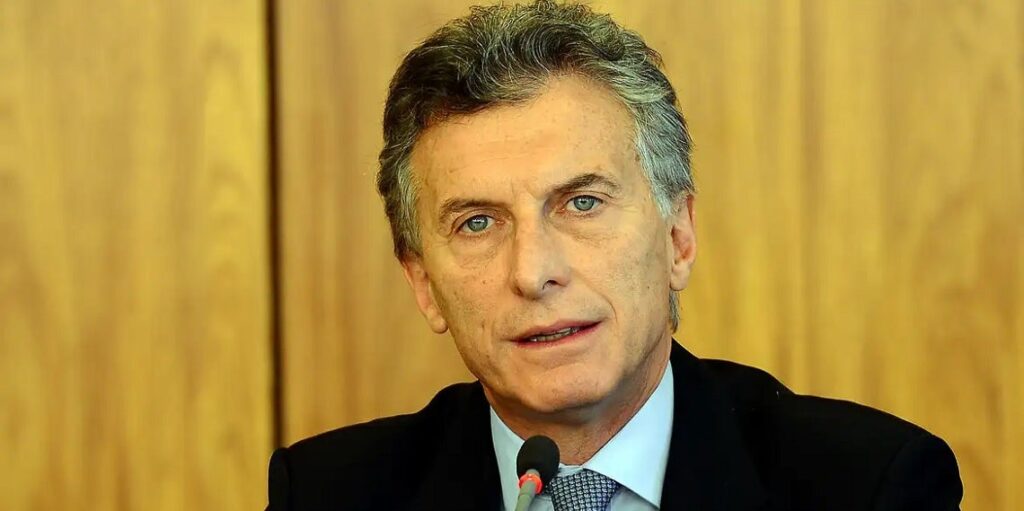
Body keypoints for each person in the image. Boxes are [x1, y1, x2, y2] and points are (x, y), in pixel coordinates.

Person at [266, 1, 963, 509]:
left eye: (582, 203)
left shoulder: (868, 487)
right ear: (423, 284)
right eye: (478, 223)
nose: (533, 272)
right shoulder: (328, 495)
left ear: (678, 237)